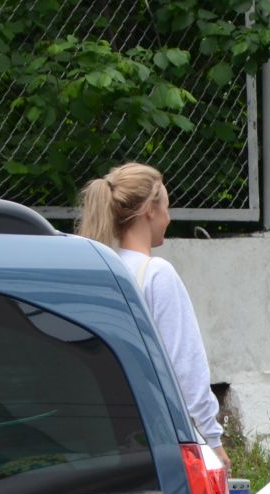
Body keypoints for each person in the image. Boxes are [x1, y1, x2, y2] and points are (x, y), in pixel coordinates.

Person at [74, 162, 225, 465]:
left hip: (106, 431)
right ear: (150, 211)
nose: (169, 217)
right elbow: (186, 365)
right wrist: (213, 439)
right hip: (159, 435)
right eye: (167, 207)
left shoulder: (98, 270)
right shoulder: (156, 274)